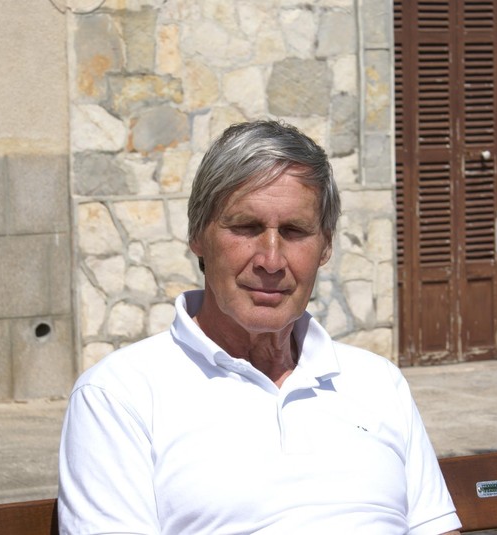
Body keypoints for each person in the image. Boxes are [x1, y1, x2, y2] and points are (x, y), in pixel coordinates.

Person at [58, 120, 462, 535]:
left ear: (325, 246)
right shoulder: (119, 395)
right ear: (197, 235)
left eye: (294, 231)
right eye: (246, 228)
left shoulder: (378, 383)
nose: (271, 260)